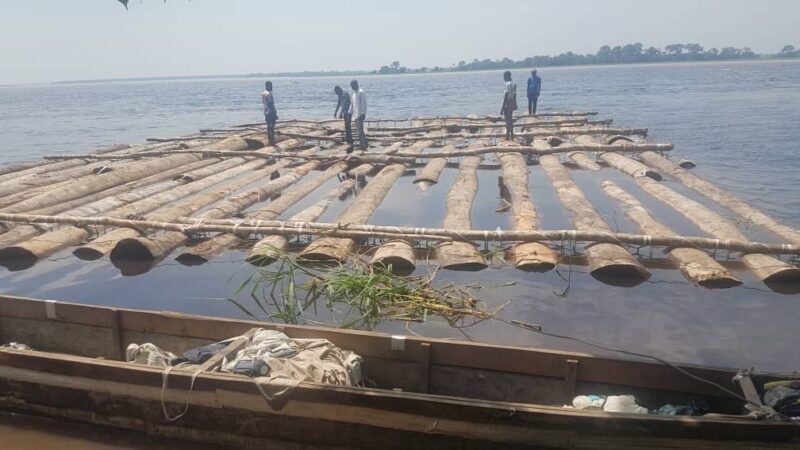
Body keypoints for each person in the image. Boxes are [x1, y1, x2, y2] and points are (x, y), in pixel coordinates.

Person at [349, 79, 368, 150]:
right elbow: (352, 105)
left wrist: (363, 114)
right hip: (356, 115)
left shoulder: (361, 92)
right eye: (351, 86)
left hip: (360, 115)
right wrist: (349, 113)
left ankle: (363, 146)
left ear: (356, 84)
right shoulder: (354, 94)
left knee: (360, 132)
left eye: (352, 86)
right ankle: (365, 144)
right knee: (360, 131)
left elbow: (364, 104)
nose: (351, 87)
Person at [500, 71, 517, 140]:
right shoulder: (514, 84)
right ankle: (512, 135)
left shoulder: (507, 84)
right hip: (512, 102)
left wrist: (502, 108)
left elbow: (506, 96)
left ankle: (507, 136)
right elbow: (515, 95)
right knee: (510, 119)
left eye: (504, 76)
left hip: (506, 103)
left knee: (507, 120)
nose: (503, 78)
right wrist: (513, 103)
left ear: (507, 76)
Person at [261, 81, 278, 145]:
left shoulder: (263, 93)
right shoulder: (268, 94)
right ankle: (272, 141)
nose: (271, 87)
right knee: (271, 127)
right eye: (270, 85)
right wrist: (274, 113)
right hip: (270, 112)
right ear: (267, 86)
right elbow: (270, 104)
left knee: (269, 126)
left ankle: (270, 140)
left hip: (266, 111)